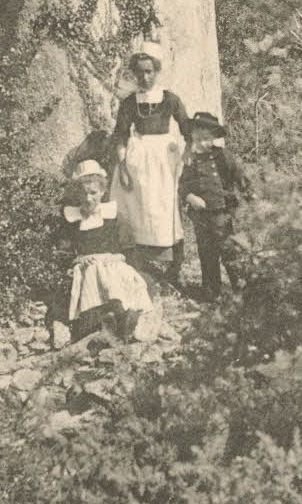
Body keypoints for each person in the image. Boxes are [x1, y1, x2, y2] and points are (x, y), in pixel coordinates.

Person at [110, 42, 189, 289]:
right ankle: (138, 262)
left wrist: (188, 153)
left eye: (149, 71)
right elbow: (121, 134)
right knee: (137, 204)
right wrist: (122, 165)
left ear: (157, 71)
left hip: (164, 158)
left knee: (164, 206)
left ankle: (173, 264)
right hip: (138, 157)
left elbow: (187, 128)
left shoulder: (170, 99)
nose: (144, 77)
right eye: (140, 72)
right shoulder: (130, 102)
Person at [62, 160, 156, 342]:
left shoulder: (111, 215)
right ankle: (97, 322)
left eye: (93, 193)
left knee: (117, 276)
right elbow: (64, 248)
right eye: (83, 193)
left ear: (103, 192)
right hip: (86, 265)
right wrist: (77, 260)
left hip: (112, 262)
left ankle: (124, 318)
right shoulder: (72, 218)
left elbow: (127, 246)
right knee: (93, 273)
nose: (88, 198)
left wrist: (119, 257)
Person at [179, 111, 251, 302]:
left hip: (221, 212)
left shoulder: (222, 156)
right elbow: (183, 185)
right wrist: (190, 196)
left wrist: (248, 193)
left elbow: (238, 175)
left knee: (228, 249)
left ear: (214, 138)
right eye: (199, 139)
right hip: (200, 216)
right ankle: (211, 292)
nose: (203, 143)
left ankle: (240, 287)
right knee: (206, 252)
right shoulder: (190, 160)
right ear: (193, 136)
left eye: (208, 139)